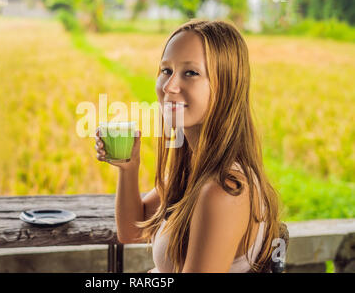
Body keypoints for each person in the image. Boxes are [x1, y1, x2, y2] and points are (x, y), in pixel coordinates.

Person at [94, 19, 281, 273]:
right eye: (166, 71)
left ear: (226, 85)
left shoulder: (223, 190)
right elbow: (132, 231)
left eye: (190, 73)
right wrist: (128, 168)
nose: (169, 87)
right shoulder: (194, 166)